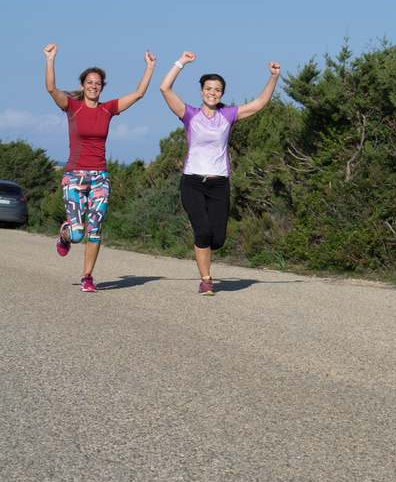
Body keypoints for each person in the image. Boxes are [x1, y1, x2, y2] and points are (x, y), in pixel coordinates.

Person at [160, 51, 281, 295]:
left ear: (222, 94)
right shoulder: (189, 115)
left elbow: (259, 104)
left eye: (217, 90)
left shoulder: (228, 116)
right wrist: (181, 62)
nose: (212, 93)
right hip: (192, 182)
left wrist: (273, 77)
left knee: (217, 240)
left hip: (219, 184)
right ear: (201, 91)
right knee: (203, 232)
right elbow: (165, 88)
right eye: (208, 88)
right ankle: (206, 279)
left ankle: (203, 249)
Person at [44, 43, 156, 292]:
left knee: (95, 230)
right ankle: (65, 234)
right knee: (77, 234)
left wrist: (149, 67)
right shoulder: (72, 107)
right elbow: (51, 88)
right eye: (90, 82)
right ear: (83, 85)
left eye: (98, 83)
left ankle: (87, 276)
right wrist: (50, 59)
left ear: (102, 88)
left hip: (99, 178)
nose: (94, 86)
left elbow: (138, 94)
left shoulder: (108, 109)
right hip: (74, 176)